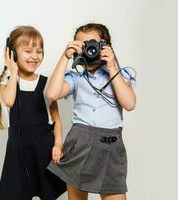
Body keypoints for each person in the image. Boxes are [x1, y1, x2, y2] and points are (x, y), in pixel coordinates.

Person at [46, 23, 136, 200]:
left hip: (111, 146)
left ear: (106, 46)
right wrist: (64, 57)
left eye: (93, 44)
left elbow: (129, 103)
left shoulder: (121, 74)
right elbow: (52, 93)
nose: (89, 50)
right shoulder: (76, 77)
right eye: (82, 45)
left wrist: (111, 67)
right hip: (79, 143)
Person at [0, 25, 66, 200]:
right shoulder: (5, 83)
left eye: (39, 51)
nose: (35, 56)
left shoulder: (47, 84)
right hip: (18, 150)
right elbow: (10, 101)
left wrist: (58, 144)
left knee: (48, 194)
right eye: (27, 51)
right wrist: (13, 71)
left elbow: (56, 119)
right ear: (12, 53)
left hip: (44, 147)